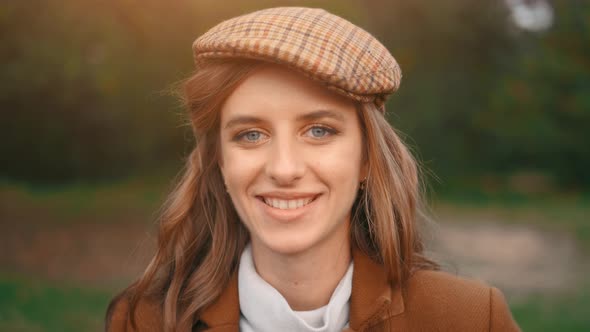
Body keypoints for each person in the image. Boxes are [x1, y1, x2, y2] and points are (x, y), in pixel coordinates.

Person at [105, 6, 521, 332]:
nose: (284, 169)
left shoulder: (468, 320)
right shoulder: (145, 322)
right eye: (251, 135)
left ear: (365, 158)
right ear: (220, 163)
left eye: (319, 130)